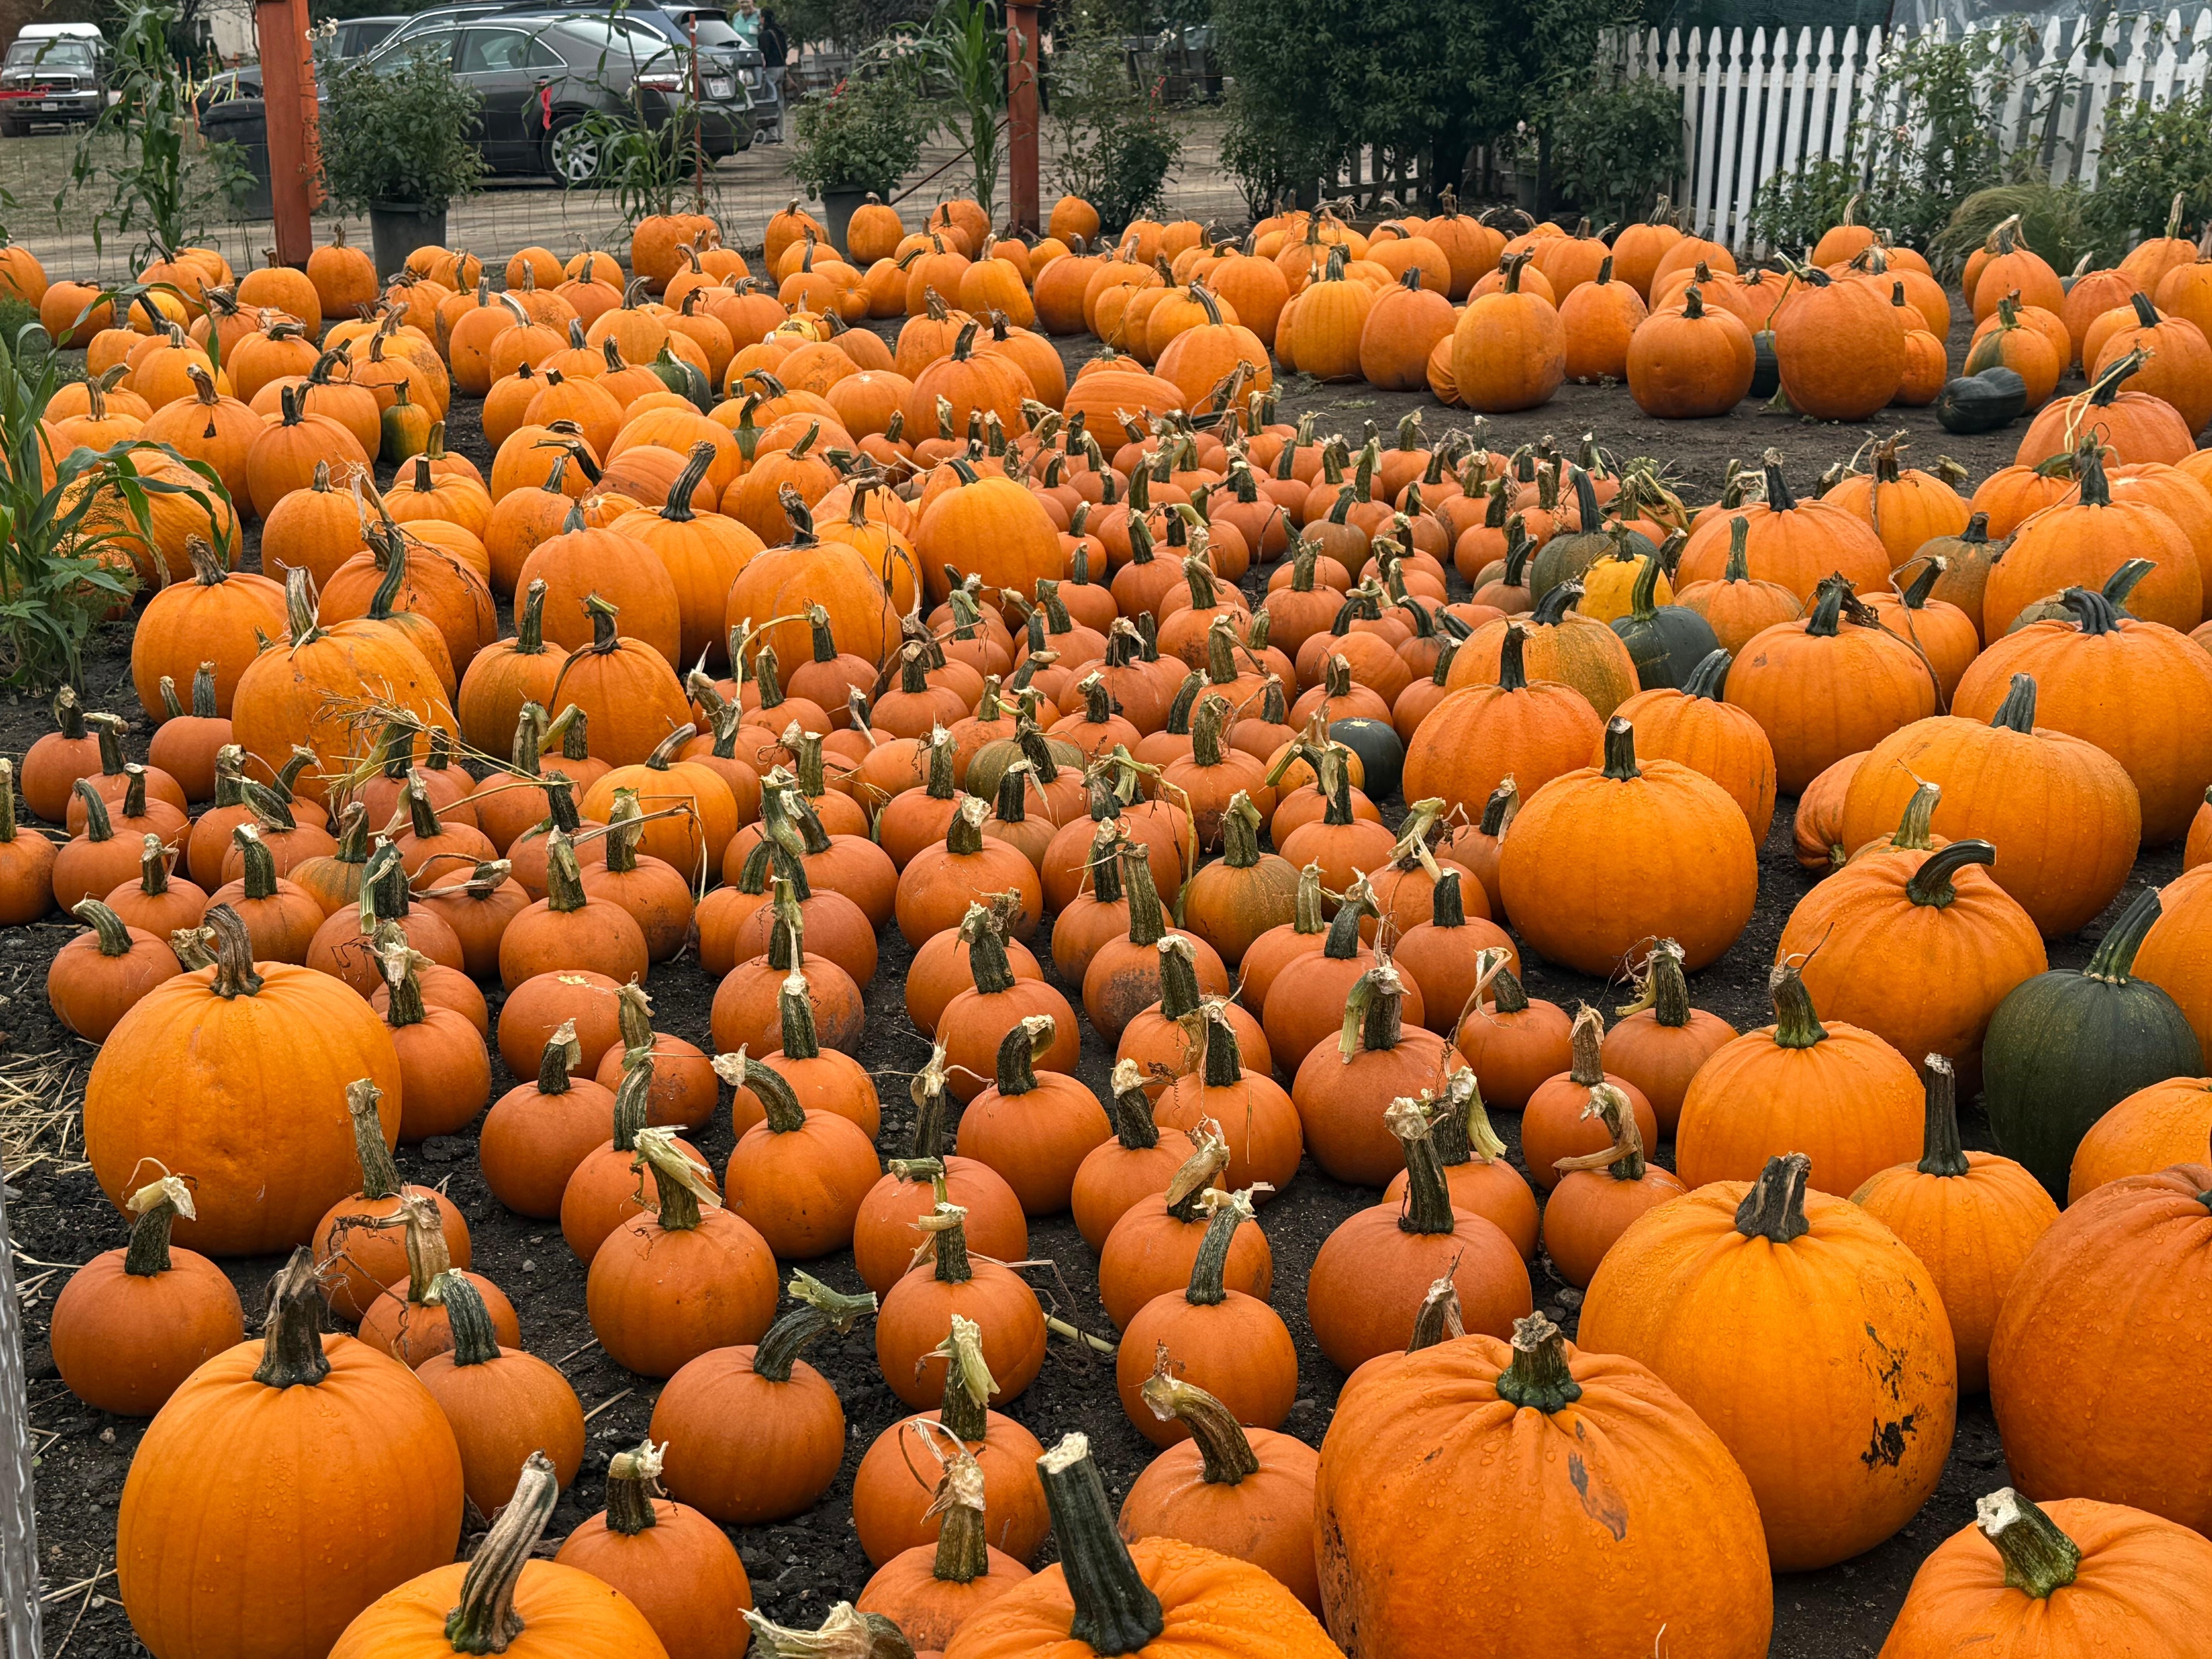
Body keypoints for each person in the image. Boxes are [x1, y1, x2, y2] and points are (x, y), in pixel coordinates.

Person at [757, 5, 788, 142]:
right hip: (782, 70)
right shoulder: (780, 32)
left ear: (764, 19)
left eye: (760, 17)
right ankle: (782, 135)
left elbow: (763, 53)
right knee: (780, 104)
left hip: (771, 70)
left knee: (770, 102)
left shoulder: (765, 35)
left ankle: (772, 135)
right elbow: (785, 51)